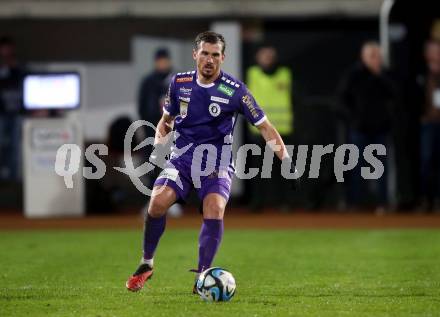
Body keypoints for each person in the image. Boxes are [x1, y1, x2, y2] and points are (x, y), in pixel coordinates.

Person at [126, 31, 295, 293]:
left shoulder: (236, 90)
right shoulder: (179, 83)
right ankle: (146, 263)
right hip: (182, 158)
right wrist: (159, 144)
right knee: (157, 202)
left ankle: (202, 275)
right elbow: (166, 120)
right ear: (195, 55)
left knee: (214, 208)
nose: (209, 59)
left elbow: (265, 127)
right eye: (204, 53)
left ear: (222, 58)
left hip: (217, 162)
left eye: (215, 55)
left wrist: (286, 159)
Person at [339, 41, 396, 211]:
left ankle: (382, 203)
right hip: (359, 129)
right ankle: (355, 203)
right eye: (372, 56)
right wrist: (353, 119)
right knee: (356, 168)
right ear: (363, 57)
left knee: (380, 168)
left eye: (378, 56)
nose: (376, 59)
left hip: (381, 129)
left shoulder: (385, 76)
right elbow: (342, 100)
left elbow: (396, 97)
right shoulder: (353, 75)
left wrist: (380, 77)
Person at [246, 45, 294, 210]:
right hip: (259, 129)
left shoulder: (285, 74)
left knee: (283, 168)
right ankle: (257, 202)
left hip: (281, 129)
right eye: (263, 56)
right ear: (257, 58)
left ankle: (286, 202)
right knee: (257, 170)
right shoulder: (252, 74)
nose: (267, 59)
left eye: (269, 56)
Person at [137, 48, 182, 217]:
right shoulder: (148, 82)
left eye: (165, 60)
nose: (162, 63)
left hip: (173, 131)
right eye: (160, 60)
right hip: (152, 130)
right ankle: (151, 201)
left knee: (172, 167)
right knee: (152, 166)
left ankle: (172, 203)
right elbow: (142, 108)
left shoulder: (178, 80)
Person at [417, 39, 440, 211]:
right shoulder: (421, 74)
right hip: (428, 124)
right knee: (426, 162)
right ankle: (426, 200)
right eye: (432, 51)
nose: (436, 54)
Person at [0, 36, 26, 181]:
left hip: (16, 112)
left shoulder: (19, 67)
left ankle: (13, 177)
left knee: (15, 147)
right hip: (2, 112)